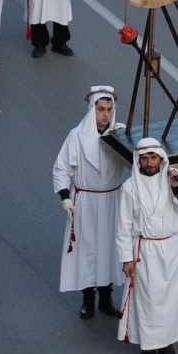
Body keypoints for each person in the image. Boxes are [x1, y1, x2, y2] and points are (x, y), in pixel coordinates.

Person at [117, 138, 178, 354]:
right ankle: (149, 346)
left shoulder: (175, 178)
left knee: (170, 298)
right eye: (145, 158)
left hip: (171, 248)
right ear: (138, 160)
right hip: (146, 250)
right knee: (149, 299)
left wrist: (176, 187)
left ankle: (167, 343)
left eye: (153, 157)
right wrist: (126, 259)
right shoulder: (130, 187)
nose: (150, 162)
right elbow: (123, 226)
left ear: (161, 158)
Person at [52, 86, 126, 319]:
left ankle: (106, 297)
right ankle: (88, 298)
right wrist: (65, 196)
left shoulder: (119, 134)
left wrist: (128, 143)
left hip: (113, 199)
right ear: (92, 109)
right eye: (100, 109)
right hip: (86, 199)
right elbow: (62, 168)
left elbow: (136, 162)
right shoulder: (77, 136)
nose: (105, 114)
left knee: (110, 247)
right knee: (88, 247)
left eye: (109, 109)